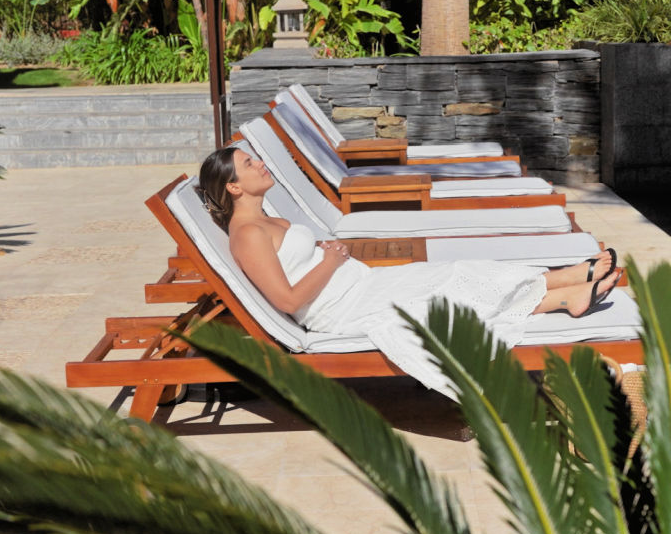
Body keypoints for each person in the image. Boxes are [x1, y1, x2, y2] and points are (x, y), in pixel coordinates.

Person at [197, 145, 623, 393]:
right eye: (249, 164)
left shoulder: (264, 217)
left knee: (454, 271)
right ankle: (563, 283)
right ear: (233, 187)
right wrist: (329, 260)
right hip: (343, 309)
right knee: (444, 291)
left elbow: (293, 263)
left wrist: (325, 253)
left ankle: (564, 288)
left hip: (358, 282)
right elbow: (287, 300)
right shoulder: (246, 233)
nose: (260, 163)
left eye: (255, 158)